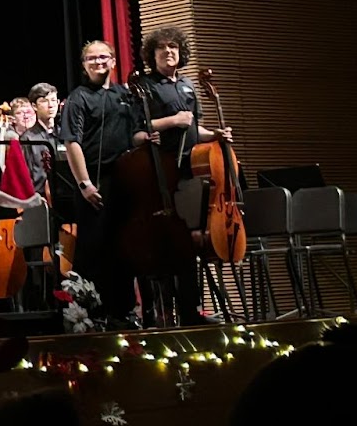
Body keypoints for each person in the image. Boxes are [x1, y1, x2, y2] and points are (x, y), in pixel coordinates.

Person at [140, 26, 231, 325]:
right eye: (162, 48)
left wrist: (215, 134)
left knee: (190, 242)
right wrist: (171, 120)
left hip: (190, 171)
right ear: (152, 55)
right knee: (168, 242)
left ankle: (192, 311)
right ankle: (164, 313)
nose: (169, 52)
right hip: (163, 169)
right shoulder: (147, 86)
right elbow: (140, 125)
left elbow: (196, 129)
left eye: (174, 47)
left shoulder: (188, 86)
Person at [58, 40, 147, 328]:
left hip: (125, 179)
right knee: (95, 250)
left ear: (113, 61)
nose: (98, 62)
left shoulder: (126, 95)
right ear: (84, 65)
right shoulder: (78, 98)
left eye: (103, 57)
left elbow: (134, 135)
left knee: (126, 248)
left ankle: (124, 312)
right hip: (94, 183)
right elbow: (72, 143)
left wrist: (147, 138)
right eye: (91, 58)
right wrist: (84, 183)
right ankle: (93, 315)